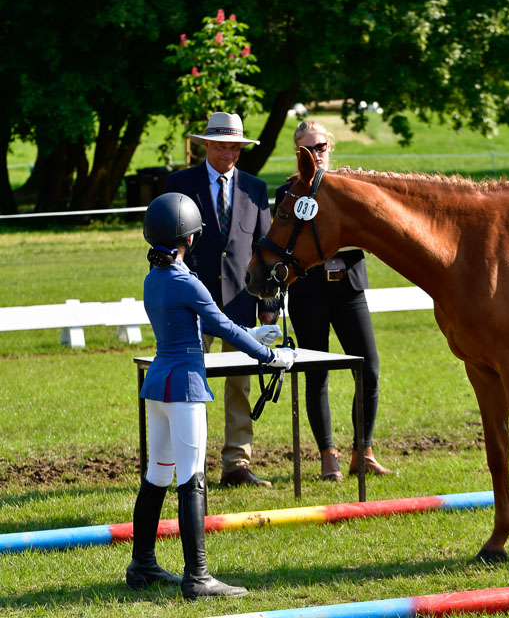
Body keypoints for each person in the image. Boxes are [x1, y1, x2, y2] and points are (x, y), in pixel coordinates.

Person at [126, 192, 294, 598]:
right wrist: (272, 355)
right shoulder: (186, 280)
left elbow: (189, 327)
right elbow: (223, 326)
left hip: (159, 384)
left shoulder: (155, 278)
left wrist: (251, 337)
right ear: (190, 237)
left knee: (157, 476)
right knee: (192, 478)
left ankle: (143, 563)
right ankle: (197, 576)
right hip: (184, 387)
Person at [274, 120, 392, 481]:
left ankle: (364, 449)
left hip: (349, 288)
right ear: (298, 153)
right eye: (307, 149)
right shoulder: (288, 193)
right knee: (317, 374)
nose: (316, 154)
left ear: (331, 147)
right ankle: (328, 455)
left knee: (368, 369)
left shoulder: (353, 189)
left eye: (321, 147)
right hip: (308, 291)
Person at [165, 112, 277, 488]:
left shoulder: (255, 189)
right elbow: (166, 244)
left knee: (239, 386)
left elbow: (264, 249)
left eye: (234, 147)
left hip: (242, 303)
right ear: (206, 145)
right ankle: (188, 464)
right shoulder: (179, 184)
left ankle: (237, 463)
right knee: (188, 384)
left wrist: (268, 307)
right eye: (220, 145)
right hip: (191, 303)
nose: (228, 153)